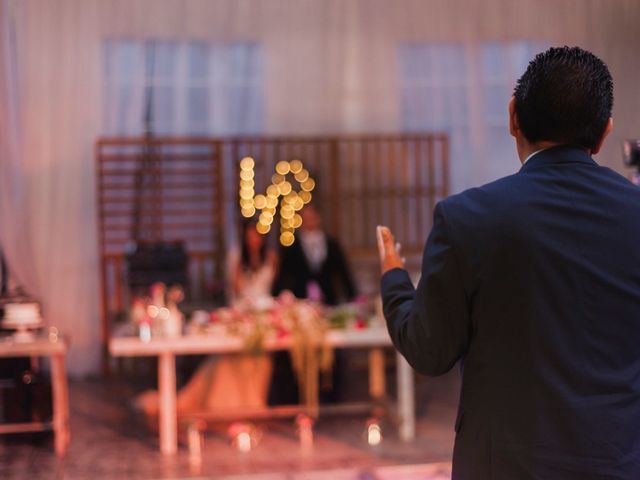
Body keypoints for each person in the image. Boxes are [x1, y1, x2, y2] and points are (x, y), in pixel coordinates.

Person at [378, 46, 640, 479]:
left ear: (513, 116)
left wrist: (393, 278)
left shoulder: (467, 218)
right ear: (604, 133)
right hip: (621, 461)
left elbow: (429, 349)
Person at [136, 220, 277, 416]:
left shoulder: (270, 257)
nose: (254, 239)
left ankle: (249, 402)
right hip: (241, 311)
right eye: (250, 235)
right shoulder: (237, 258)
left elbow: (273, 286)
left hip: (264, 313)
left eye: (257, 234)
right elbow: (237, 290)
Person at [270, 203, 358, 404]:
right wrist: (282, 299)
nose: (310, 221)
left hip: (328, 304)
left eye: (313, 217)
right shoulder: (291, 247)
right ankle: (297, 396)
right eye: (306, 218)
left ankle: (331, 395)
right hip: (301, 308)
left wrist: (353, 298)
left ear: (319, 219)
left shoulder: (331, 244)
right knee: (298, 351)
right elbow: (283, 279)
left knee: (331, 350)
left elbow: (344, 274)